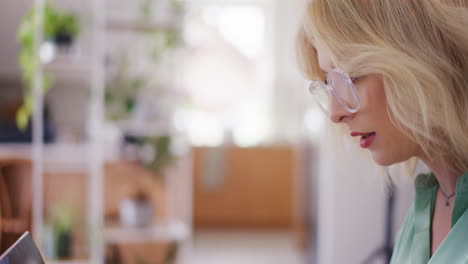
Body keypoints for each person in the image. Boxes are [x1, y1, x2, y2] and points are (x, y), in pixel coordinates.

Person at [296, 0, 468, 263]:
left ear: (424, 55)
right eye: (329, 82)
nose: (334, 113)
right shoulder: (423, 212)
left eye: (351, 75)